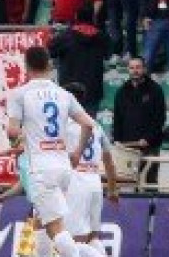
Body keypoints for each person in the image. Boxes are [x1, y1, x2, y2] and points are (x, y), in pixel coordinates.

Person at [5, 46, 101, 257]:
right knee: (42, 224)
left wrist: (16, 139)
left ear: (26, 66)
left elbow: (12, 130)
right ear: (49, 64)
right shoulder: (64, 94)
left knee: (56, 229)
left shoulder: (20, 94)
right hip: (63, 168)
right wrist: (76, 153)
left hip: (41, 169)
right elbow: (88, 124)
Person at [61, 81, 119, 254]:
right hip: (94, 181)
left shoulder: (65, 124)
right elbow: (109, 160)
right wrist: (112, 189)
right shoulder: (96, 126)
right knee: (93, 236)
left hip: (76, 181)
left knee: (74, 238)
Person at [112, 57, 166, 186]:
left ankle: (153, 206)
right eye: (132, 68)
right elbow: (118, 118)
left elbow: (160, 118)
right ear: (128, 70)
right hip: (127, 146)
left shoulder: (155, 90)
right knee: (128, 182)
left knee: (150, 181)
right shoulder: (121, 91)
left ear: (144, 69)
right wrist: (118, 140)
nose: (135, 71)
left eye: (138, 67)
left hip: (150, 146)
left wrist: (148, 139)